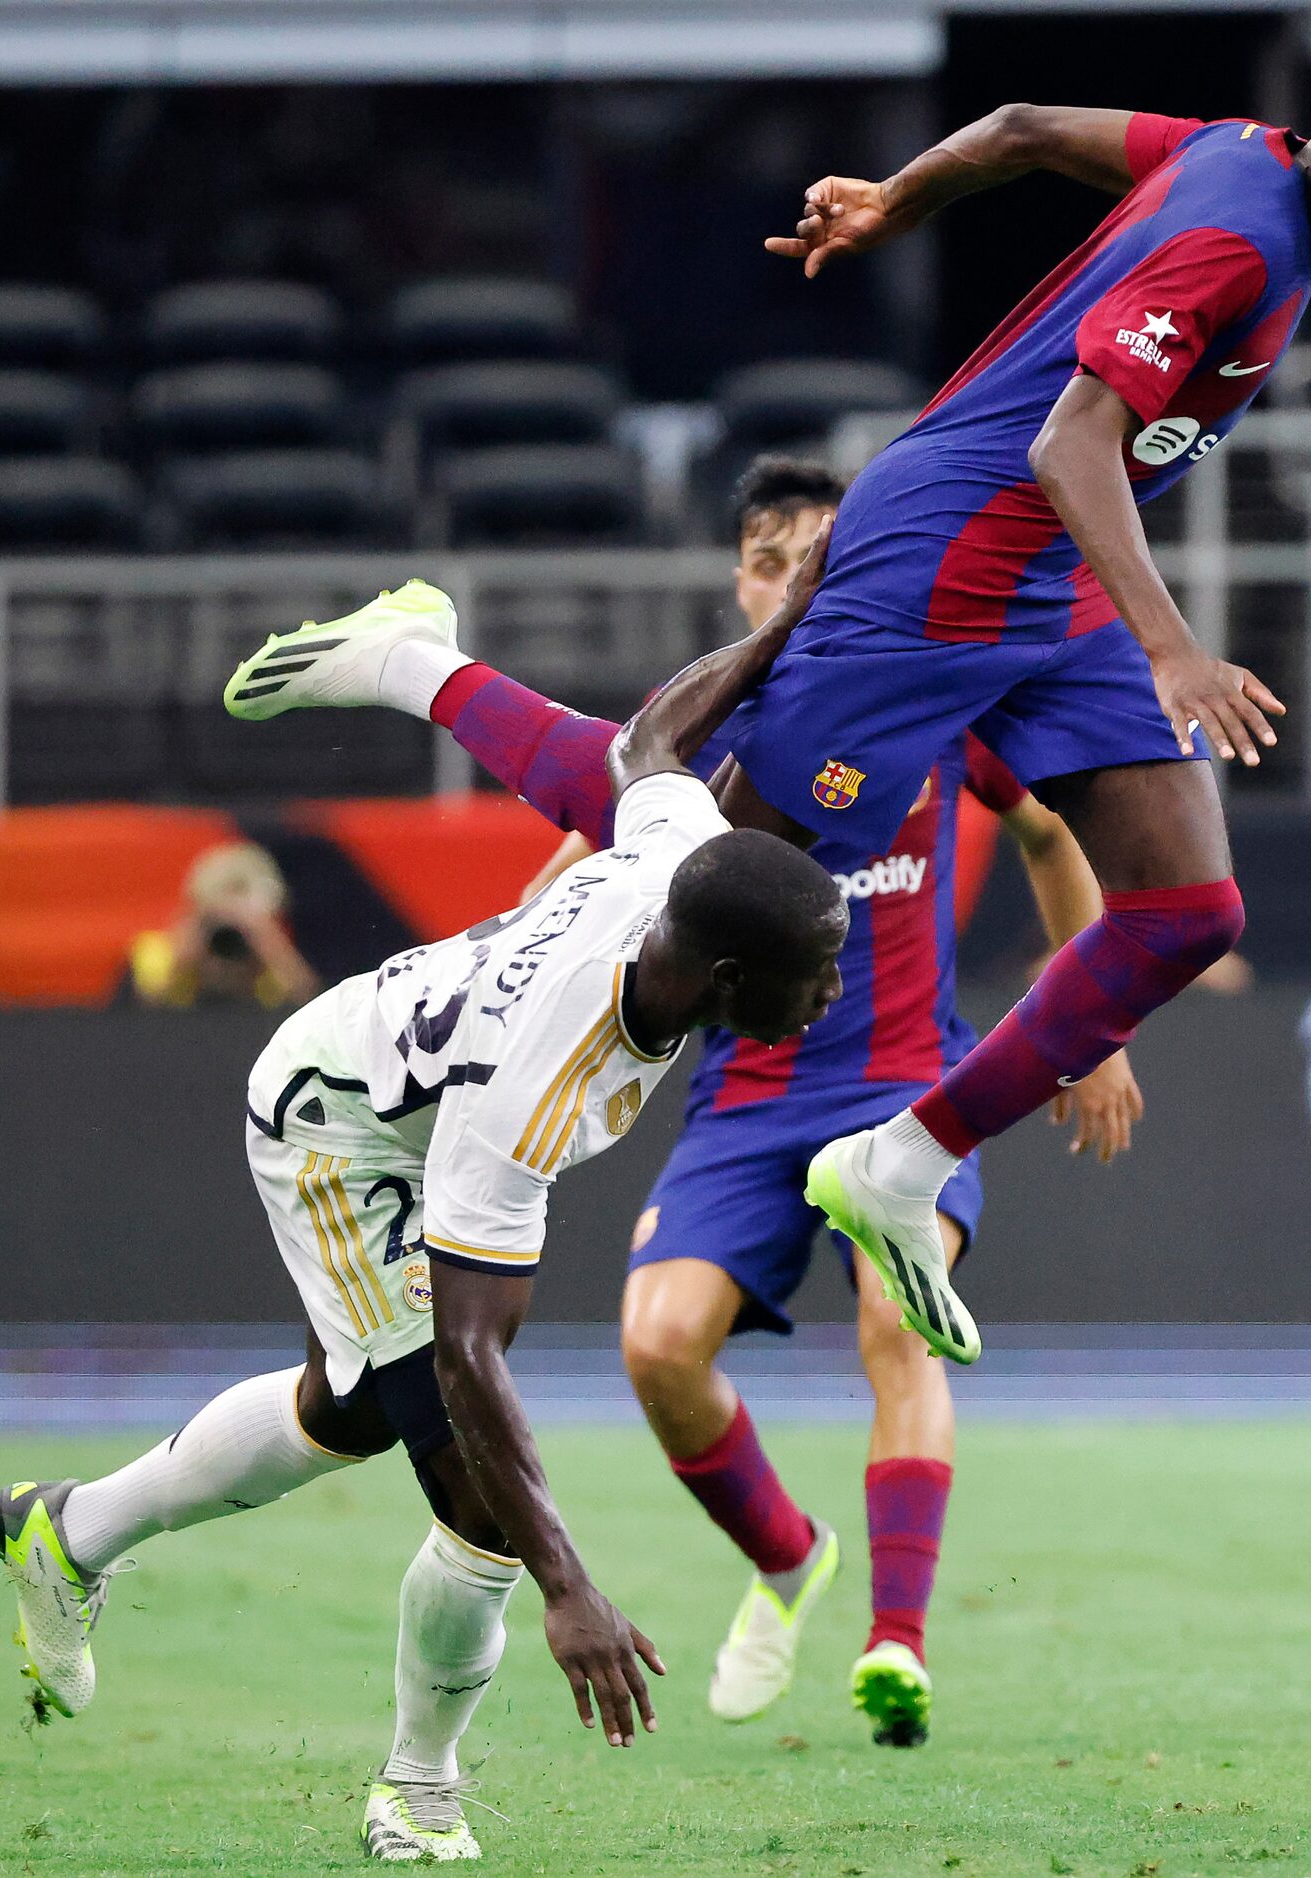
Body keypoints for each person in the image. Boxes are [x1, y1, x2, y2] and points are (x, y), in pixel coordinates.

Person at [0, 537, 849, 1865]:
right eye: (813, 973)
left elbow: (652, 738)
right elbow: (468, 1346)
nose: (827, 996)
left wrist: (780, 627)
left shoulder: (684, 861)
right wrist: (571, 1587)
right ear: (727, 970)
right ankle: (416, 1791)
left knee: (345, 1409)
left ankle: (69, 1529)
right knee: (478, 1493)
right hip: (338, 1132)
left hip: (395, 1078)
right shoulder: (537, 1090)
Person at [693, 22, 1311, 1362]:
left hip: (1046, 584)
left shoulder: (1227, 156)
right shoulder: (1236, 239)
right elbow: (1069, 441)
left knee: (1188, 912)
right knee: (709, 889)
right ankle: (474, 1018)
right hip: (939, 566)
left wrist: (893, 199)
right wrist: (1173, 649)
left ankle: (897, 1165)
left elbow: (1017, 126)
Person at [465, 455, 1147, 1747]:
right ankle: (787, 1559)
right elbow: (574, 863)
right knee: (658, 1348)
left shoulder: (936, 691)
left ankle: (896, 1643)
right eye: (771, 559)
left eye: (817, 555)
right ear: (741, 577)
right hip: (742, 1097)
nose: (794, 578)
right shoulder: (699, 723)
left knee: (898, 1335)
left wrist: (1086, 1026)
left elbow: (1051, 836)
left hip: (905, 1091)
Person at [126, 839, 319, 1009]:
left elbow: (307, 1003)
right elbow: (147, 1005)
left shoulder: (271, 964)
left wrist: (264, 939)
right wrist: (189, 944)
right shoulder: (156, 950)